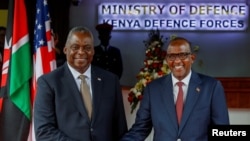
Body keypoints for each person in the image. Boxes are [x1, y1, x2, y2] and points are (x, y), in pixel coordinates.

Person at [120, 37, 229, 141]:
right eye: (172, 56)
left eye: (182, 55)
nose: (177, 61)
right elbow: (139, 130)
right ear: (167, 60)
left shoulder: (211, 87)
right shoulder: (153, 89)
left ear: (192, 58)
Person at [34, 26, 128, 141]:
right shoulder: (48, 82)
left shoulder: (111, 81)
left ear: (93, 51)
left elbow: (120, 129)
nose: (81, 52)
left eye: (87, 48)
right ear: (65, 50)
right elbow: (44, 131)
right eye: (75, 47)